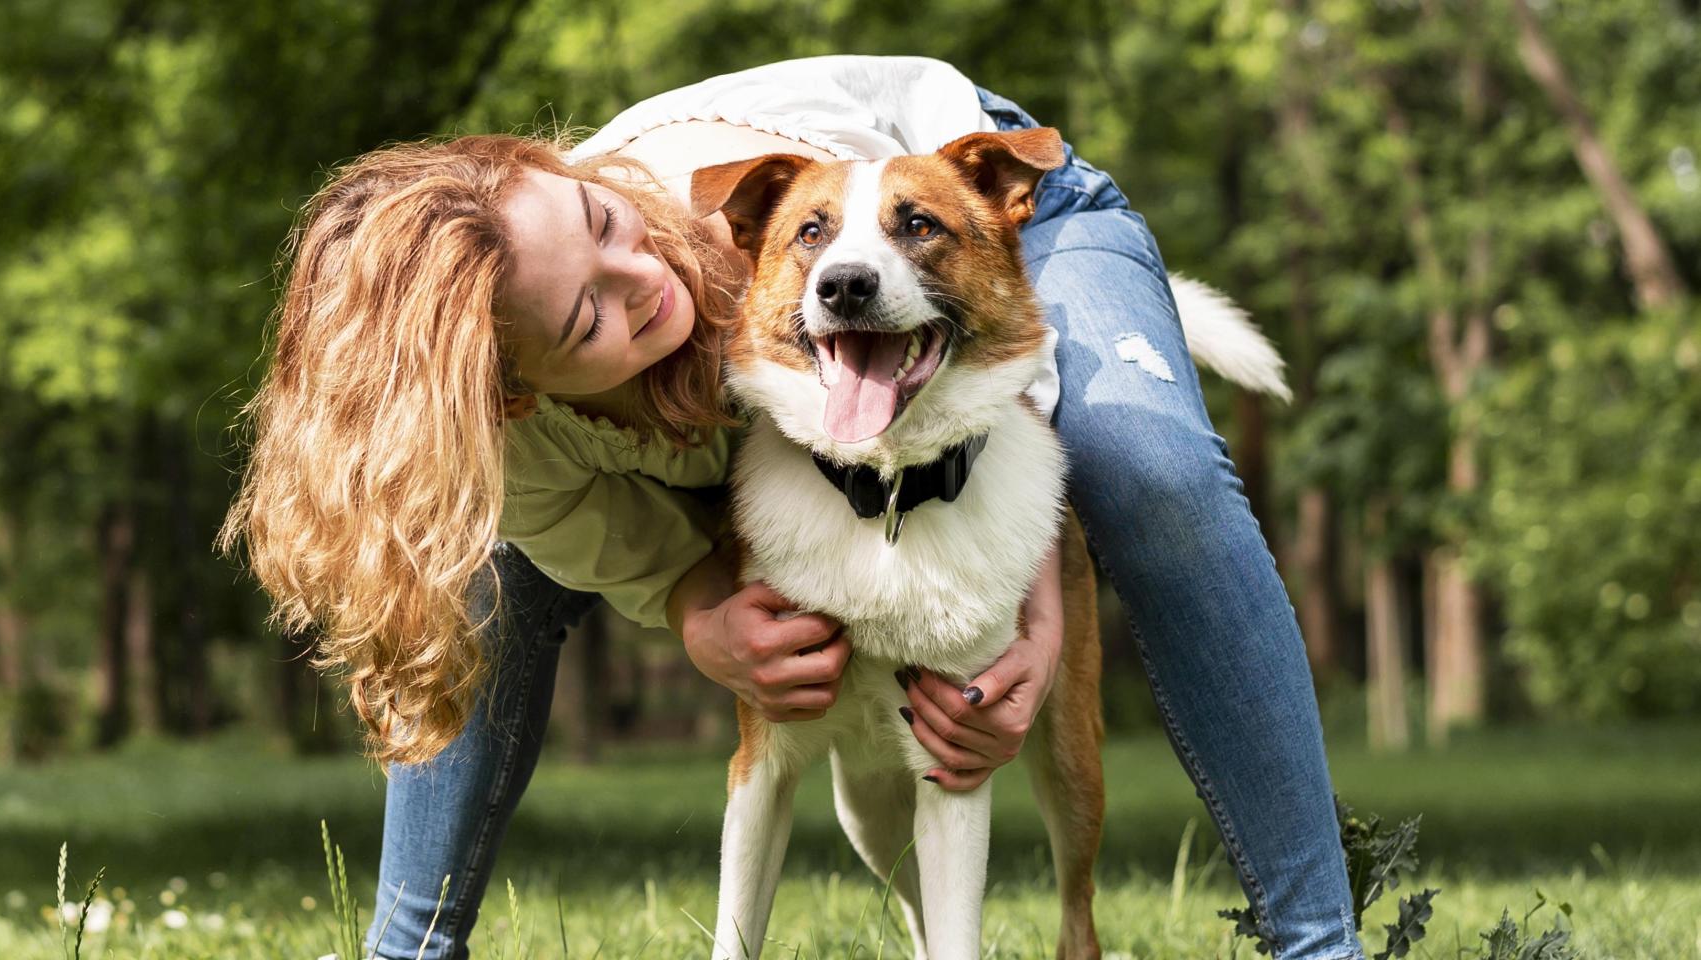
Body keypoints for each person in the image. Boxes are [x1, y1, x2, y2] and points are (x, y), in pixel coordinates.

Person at [219, 56, 1363, 960]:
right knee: (487, 572)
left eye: (606, 228)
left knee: (1142, 467)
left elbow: (979, 343)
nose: (646, 284)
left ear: (570, 175)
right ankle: (406, 949)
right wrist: (692, 609)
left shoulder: (751, 223)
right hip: (847, 375)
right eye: (588, 326)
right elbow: (625, 548)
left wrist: (1039, 605)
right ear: (508, 393)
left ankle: (1317, 945)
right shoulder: (511, 439)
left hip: (980, 215)